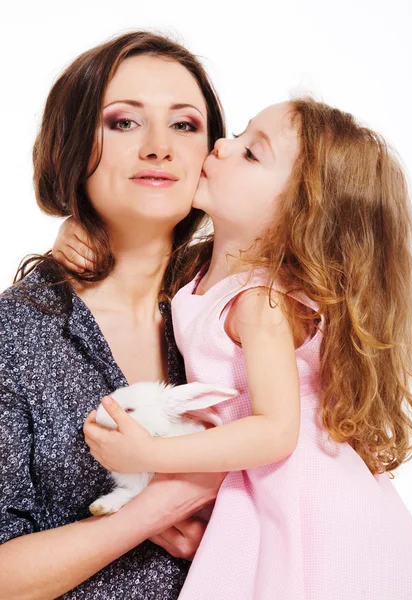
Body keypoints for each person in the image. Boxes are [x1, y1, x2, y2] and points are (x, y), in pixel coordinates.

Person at [59, 99, 412, 599]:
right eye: (238, 134)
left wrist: (152, 451)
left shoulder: (260, 302)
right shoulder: (196, 271)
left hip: (306, 503)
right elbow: (135, 264)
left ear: (299, 213)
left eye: (252, 153)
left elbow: (276, 432)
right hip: (260, 491)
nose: (221, 144)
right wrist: (75, 233)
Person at [0, 30, 227, 599]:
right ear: (73, 145)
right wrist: (152, 512)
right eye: (123, 122)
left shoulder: (238, 313)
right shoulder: (16, 334)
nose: (159, 147)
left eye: (185, 124)